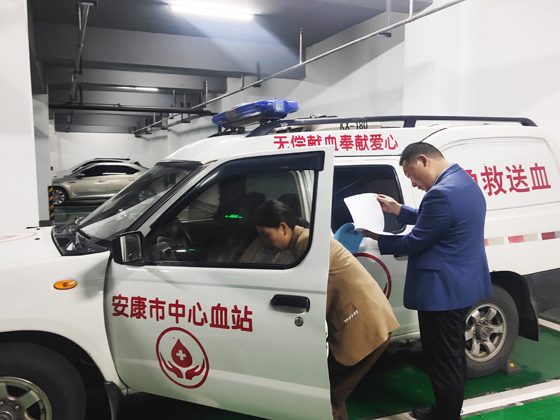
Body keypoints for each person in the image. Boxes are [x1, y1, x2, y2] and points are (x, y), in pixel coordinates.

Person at [362, 142, 492, 420]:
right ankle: (447, 409)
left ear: (423, 160)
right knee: (452, 355)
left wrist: (376, 238)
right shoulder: (462, 181)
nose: (412, 182)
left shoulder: (441, 194)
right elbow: (437, 218)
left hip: (442, 291)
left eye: (411, 174)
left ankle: (446, 414)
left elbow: (414, 242)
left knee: (443, 359)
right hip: (461, 284)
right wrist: (399, 210)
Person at [241, 199, 399, 420]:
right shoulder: (305, 239)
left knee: (329, 396)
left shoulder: (306, 244)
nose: (265, 242)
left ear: (283, 227)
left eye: (266, 235)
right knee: (330, 395)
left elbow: (301, 292)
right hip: (367, 321)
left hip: (365, 327)